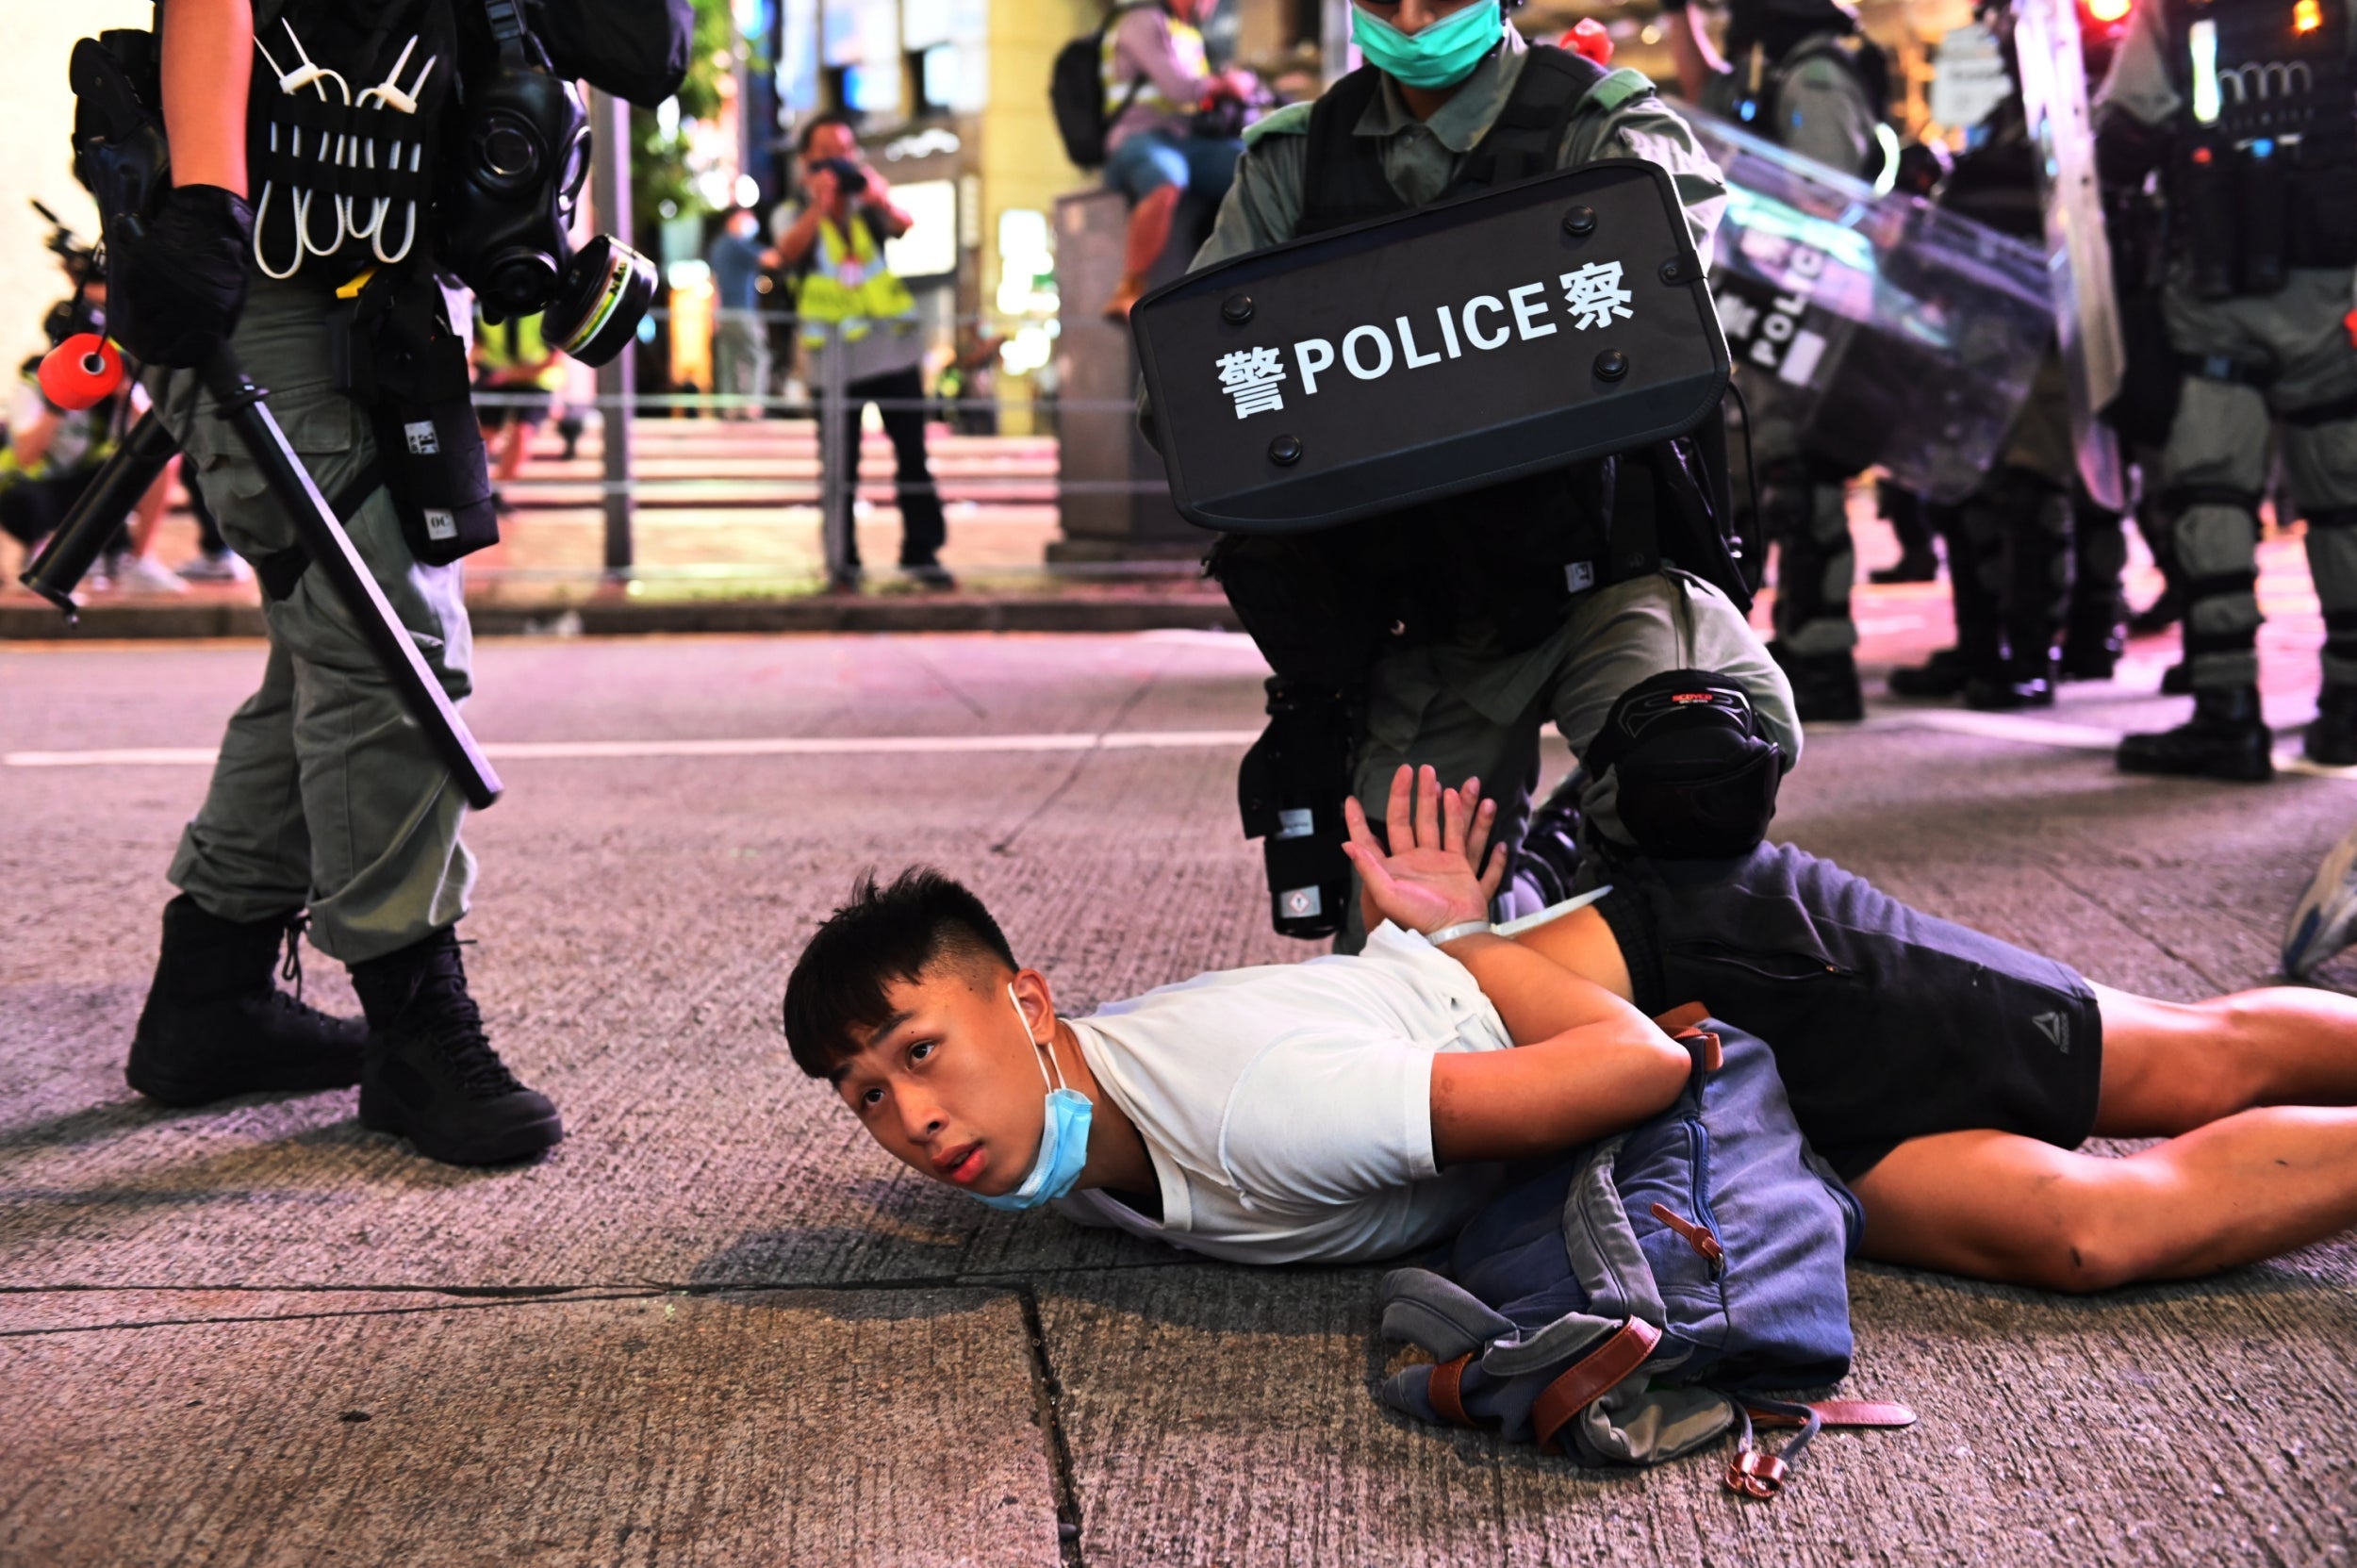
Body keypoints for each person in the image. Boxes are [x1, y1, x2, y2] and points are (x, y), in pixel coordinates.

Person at [784, 762, 2357, 1290]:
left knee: (2179, 1060)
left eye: (919, 1049)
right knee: (2082, 1235)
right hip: (1689, 1107)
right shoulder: (1082, 1129)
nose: (910, 1119)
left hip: (1712, 977)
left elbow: (1633, 1057)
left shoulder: (1256, 1105)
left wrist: (1454, 935)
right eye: (863, 1096)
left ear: (1029, 998)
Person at [1185, 0, 1797, 949]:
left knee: (1694, 769)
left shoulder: (1608, 125)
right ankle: (1532, 886)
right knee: (1401, 950)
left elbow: (1667, 303)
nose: (1415, 17)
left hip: (1604, 572)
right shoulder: (1294, 162)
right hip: (1426, 616)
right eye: (1387, 1)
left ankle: (1603, 938)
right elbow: (1193, 394)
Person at [114, 0, 562, 1165]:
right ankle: (414, 1020)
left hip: (401, 263)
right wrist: (207, 200)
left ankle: (209, 995)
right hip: (261, 265)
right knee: (387, 642)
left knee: (337, 641)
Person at [2094, 0, 2357, 781]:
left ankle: (2227, 713)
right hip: (2332, 292)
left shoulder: (2173, 12)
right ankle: (2349, 706)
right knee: (2344, 497)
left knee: (2212, 493)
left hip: (2214, 289)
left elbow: (2122, 141)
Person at [1660, 0, 1893, 722]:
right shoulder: (1783, 68)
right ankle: (1798, 638)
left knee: (1807, 481)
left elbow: (1825, 198)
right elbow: (1710, 91)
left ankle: (1824, 653)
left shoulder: (1816, 75)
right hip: (1776, 315)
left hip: (1808, 315)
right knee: (1775, 481)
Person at [769, 113, 953, 592]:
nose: (841, 160)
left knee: (913, 455)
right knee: (839, 466)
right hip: (832, 362)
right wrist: (820, 204)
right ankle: (841, 562)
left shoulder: (867, 202)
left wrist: (876, 196)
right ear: (807, 160)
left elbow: (904, 224)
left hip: (892, 350)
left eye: (847, 150)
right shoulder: (792, 209)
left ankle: (923, 552)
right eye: (828, 152)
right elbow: (787, 251)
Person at [1098, 0, 1255, 320]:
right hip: (1138, 136)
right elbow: (1178, 88)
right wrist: (1228, 85)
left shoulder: (1187, 32)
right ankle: (1129, 287)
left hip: (1186, 139)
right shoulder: (1141, 22)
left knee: (1254, 166)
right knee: (1167, 178)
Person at [473, 307, 567, 510]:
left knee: (521, 434)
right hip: (494, 375)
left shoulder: (544, 310)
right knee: (484, 437)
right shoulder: (482, 306)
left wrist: (509, 374)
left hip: (536, 380)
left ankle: (496, 492)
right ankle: (477, 491)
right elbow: (475, 346)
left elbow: (554, 359)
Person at [707, 207, 771, 418]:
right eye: (747, 219)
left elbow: (714, 282)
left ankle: (730, 406)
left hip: (723, 312)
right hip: (741, 310)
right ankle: (752, 404)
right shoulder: (738, 245)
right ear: (734, 220)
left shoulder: (718, 246)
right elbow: (771, 259)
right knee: (757, 356)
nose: (751, 224)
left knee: (729, 359)